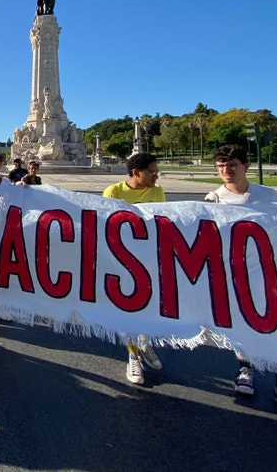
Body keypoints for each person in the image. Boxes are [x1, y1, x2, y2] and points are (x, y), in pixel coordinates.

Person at [205, 145, 277, 420]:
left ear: (246, 166)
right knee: (246, 321)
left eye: (232, 165)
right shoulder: (213, 198)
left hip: (273, 268)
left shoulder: (267, 195)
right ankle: (246, 367)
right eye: (221, 166)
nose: (226, 171)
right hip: (238, 270)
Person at [102, 152, 165, 385]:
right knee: (128, 310)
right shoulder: (114, 192)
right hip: (122, 259)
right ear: (135, 173)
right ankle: (133, 355)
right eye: (151, 172)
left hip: (149, 258)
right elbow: (105, 224)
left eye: (156, 171)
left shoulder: (157, 192)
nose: (156, 176)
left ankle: (145, 343)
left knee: (150, 309)